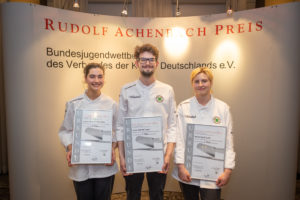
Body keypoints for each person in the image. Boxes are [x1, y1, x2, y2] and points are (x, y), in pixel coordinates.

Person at [116, 43, 176, 200]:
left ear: (157, 63)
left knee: (157, 195)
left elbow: (173, 126)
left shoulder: (167, 90)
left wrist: (168, 155)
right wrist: (121, 157)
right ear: (136, 63)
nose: (147, 63)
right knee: (132, 195)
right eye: (143, 59)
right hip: (132, 155)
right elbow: (120, 126)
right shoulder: (126, 90)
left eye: (151, 59)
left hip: (159, 155)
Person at [172, 67, 236, 200]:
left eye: (204, 81)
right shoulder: (183, 107)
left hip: (213, 172)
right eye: (197, 81)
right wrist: (180, 166)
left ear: (211, 83)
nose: (200, 85)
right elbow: (179, 140)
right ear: (192, 84)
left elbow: (228, 143)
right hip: (188, 171)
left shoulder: (222, 108)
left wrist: (228, 170)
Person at [58, 63, 118, 200]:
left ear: (104, 79)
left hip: (104, 167)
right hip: (80, 167)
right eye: (92, 76)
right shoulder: (74, 104)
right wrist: (70, 148)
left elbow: (117, 131)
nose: (96, 80)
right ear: (85, 78)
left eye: (100, 76)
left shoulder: (112, 104)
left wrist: (111, 148)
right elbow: (65, 131)